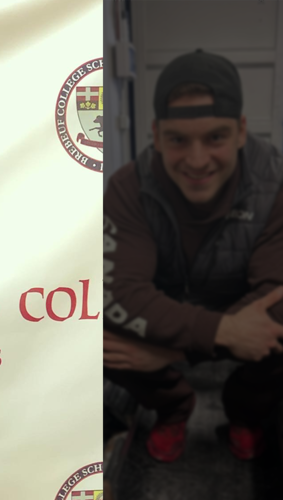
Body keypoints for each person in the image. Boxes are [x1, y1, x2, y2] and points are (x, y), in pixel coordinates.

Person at [102, 49, 283, 462]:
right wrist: (218, 333)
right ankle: (173, 407)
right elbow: (119, 294)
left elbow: (277, 299)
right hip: (160, 313)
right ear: (156, 133)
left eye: (215, 137)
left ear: (240, 131)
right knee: (100, 337)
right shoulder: (129, 187)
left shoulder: (275, 185)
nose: (197, 160)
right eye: (178, 140)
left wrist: (180, 351)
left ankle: (245, 413)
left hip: (238, 311)